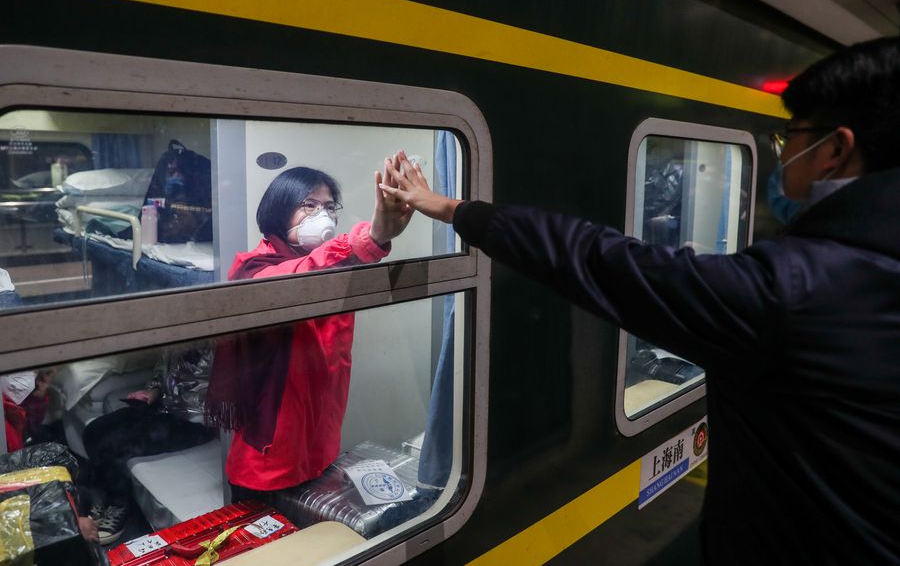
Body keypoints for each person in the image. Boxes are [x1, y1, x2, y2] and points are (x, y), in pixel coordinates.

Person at [380, 37, 900, 564]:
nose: (783, 156)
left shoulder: (795, 291)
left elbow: (601, 261)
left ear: (835, 151)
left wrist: (456, 210)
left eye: (791, 140)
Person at [205, 162, 413, 503]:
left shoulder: (331, 267)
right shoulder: (253, 267)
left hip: (321, 444)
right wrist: (368, 237)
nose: (323, 215)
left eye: (329, 207)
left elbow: (346, 264)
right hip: (269, 459)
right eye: (309, 205)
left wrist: (379, 237)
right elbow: (292, 281)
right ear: (279, 210)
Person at [82, 344, 216, 545]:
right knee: (93, 430)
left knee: (115, 444)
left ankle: (119, 504)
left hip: (195, 421)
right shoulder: (175, 337)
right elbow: (164, 373)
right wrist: (152, 392)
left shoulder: (216, 342)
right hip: (162, 409)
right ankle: (108, 494)